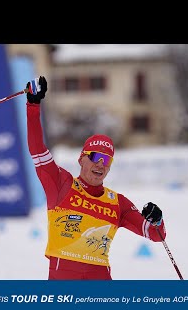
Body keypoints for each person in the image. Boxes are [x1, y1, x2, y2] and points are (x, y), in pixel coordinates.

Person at [26, 76, 166, 280]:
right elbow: (37, 149)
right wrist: (33, 105)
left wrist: (157, 220)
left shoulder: (118, 203)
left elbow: (155, 234)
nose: (101, 164)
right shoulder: (61, 183)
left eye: (107, 160)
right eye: (95, 157)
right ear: (81, 159)